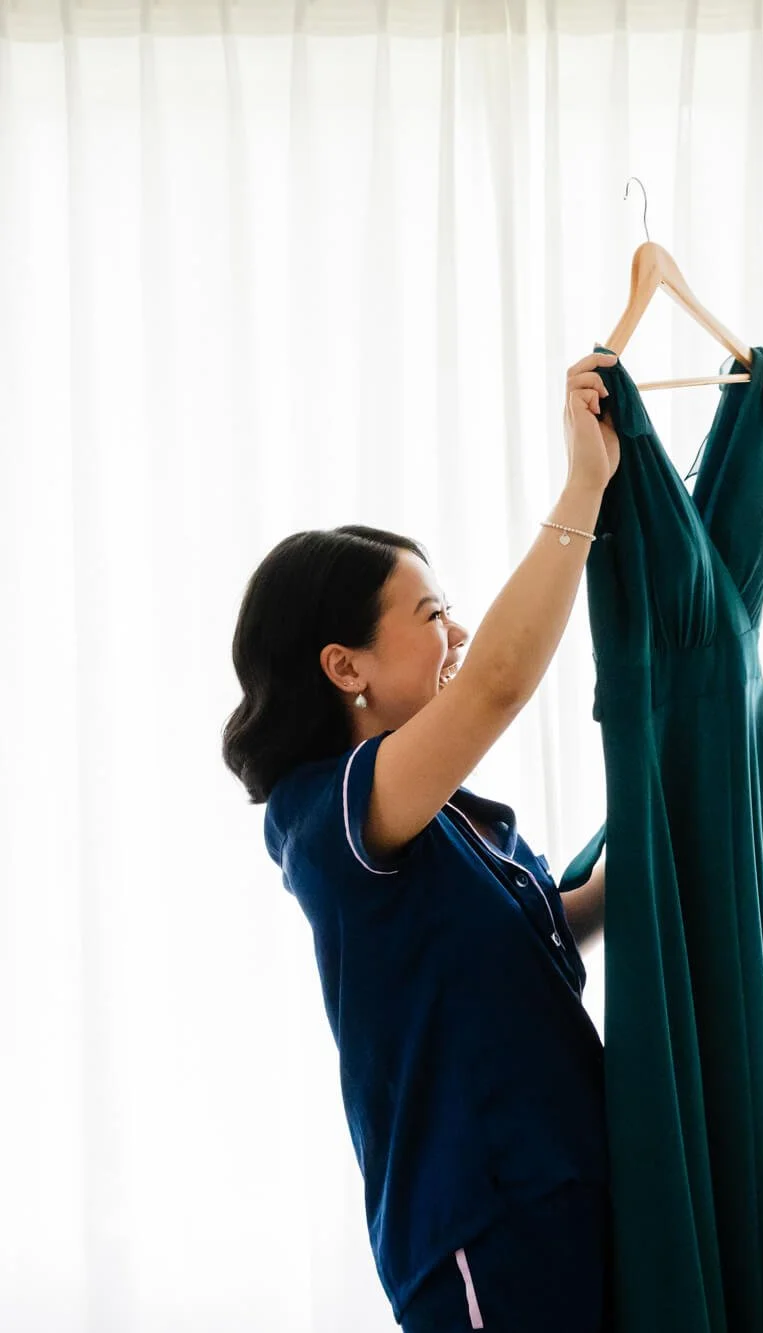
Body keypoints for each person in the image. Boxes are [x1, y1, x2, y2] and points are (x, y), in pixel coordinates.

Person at [222, 352, 623, 1332]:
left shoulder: (452, 819)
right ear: (343, 664)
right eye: (431, 613)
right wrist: (583, 485)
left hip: (568, 1191)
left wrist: (663, 817)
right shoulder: (327, 819)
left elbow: (552, 926)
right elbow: (494, 682)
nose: (458, 631)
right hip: (486, 1232)